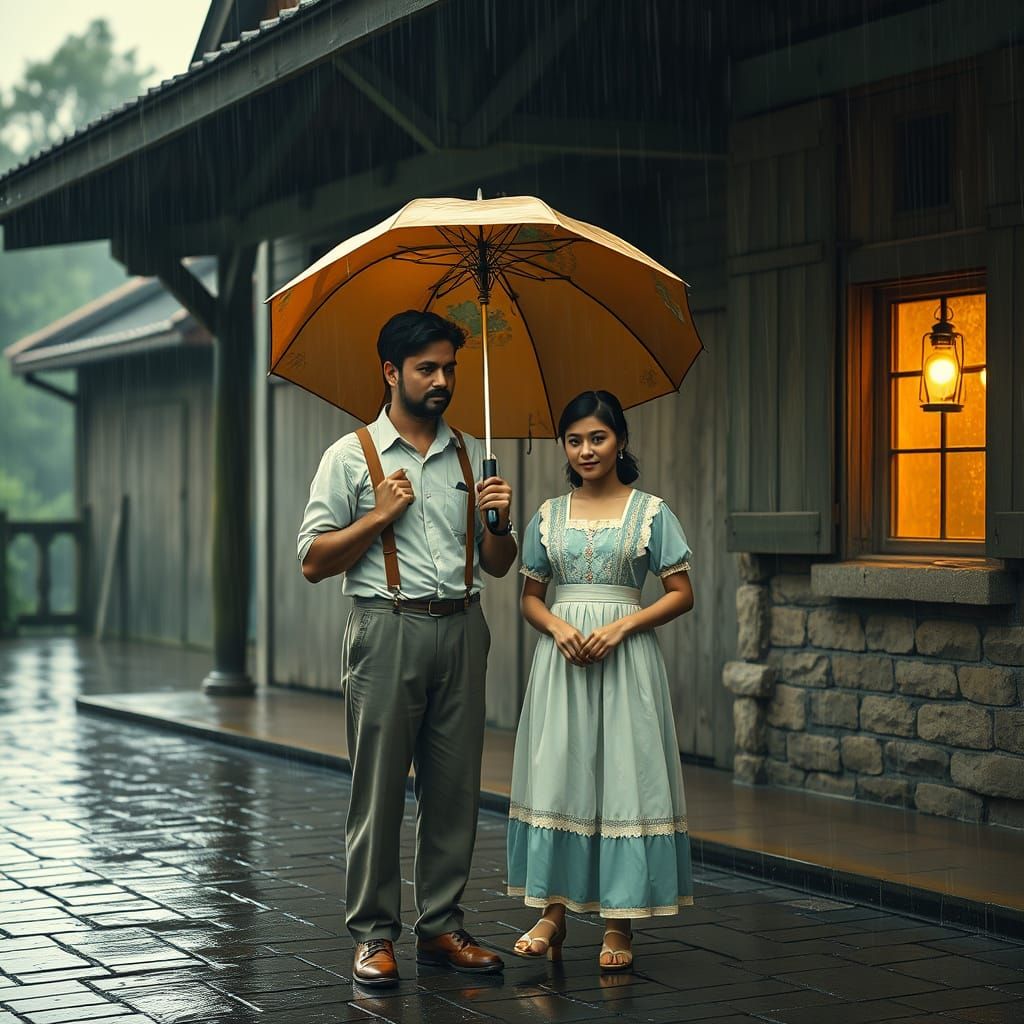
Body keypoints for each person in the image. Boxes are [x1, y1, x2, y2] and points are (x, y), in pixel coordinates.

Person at [297, 310, 518, 987]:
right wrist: (378, 516)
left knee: (454, 792)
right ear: (391, 371)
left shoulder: (469, 454)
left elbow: (500, 564)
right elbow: (312, 559)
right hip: (385, 628)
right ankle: (372, 935)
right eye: (428, 368)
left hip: (462, 626)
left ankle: (443, 927)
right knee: (380, 790)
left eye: (450, 367)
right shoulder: (351, 455)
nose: (443, 380)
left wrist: (500, 522)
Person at [506, 390, 695, 972]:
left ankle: (620, 923)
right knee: (561, 774)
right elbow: (530, 598)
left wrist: (623, 628)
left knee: (622, 776)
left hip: (627, 662)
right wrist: (558, 629)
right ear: (564, 446)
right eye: (575, 439)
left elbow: (682, 594)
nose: (586, 450)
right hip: (561, 663)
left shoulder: (652, 513)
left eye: (598, 437)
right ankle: (552, 913)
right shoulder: (549, 514)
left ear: (620, 441)